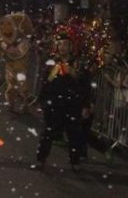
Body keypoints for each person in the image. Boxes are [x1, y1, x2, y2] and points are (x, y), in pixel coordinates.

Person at [30, 33, 88, 173]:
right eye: (60, 44)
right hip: (54, 103)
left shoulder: (77, 62)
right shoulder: (53, 62)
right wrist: (40, 99)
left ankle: (75, 162)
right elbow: (45, 82)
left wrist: (86, 105)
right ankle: (40, 159)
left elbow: (84, 83)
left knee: (73, 134)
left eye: (65, 44)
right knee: (47, 133)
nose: (62, 47)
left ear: (71, 46)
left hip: (72, 104)